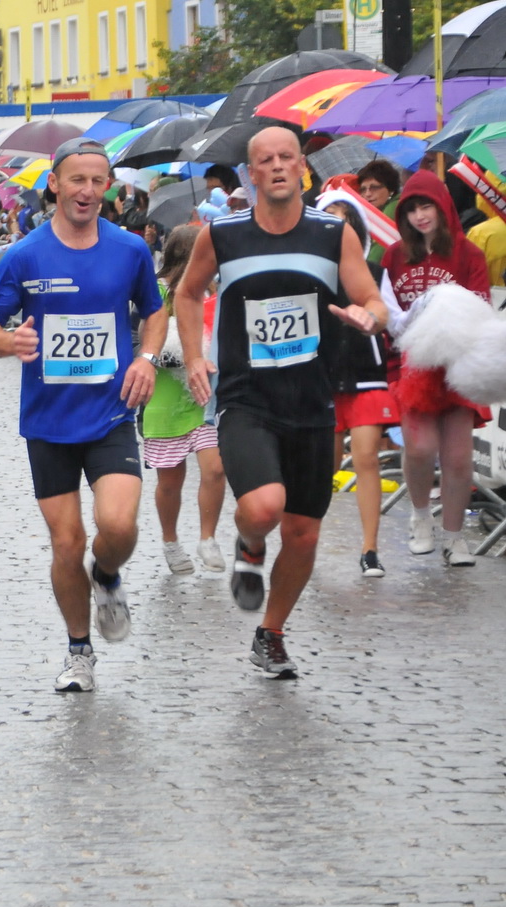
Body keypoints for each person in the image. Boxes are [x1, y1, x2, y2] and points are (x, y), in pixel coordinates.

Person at [177, 125, 388, 677]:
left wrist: (370, 315)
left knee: (303, 531)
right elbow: (187, 291)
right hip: (247, 398)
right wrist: (196, 356)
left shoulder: (331, 234)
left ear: (301, 169)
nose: (275, 166)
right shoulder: (221, 234)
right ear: (250, 173)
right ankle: (249, 544)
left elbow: (370, 296)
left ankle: (270, 633)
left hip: (312, 400)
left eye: (285, 158)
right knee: (265, 507)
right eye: (263, 160)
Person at [0, 138, 167, 694]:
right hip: (49, 423)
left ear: (109, 188)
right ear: (54, 183)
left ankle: (107, 577)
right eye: (76, 180)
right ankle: (79, 650)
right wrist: (8, 342)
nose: (87, 191)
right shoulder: (25, 255)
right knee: (66, 543)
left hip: (111, 414)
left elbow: (155, 312)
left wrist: (148, 359)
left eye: (97, 181)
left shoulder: (128, 249)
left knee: (119, 527)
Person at [378, 170, 494, 567]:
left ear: (442, 206)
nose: (420, 216)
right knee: (422, 447)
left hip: (458, 364)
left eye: (426, 206)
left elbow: (481, 306)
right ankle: (420, 516)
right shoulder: (394, 256)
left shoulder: (468, 253)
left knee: (459, 458)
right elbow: (387, 314)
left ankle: (455, 537)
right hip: (411, 366)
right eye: (411, 209)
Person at [315, 194, 397, 577]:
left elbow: (393, 319)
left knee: (365, 458)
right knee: (321, 469)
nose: (338, 229)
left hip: (367, 374)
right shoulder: (311, 274)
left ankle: (370, 550)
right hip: (323, 377)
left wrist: (372, 319)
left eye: (346, 221)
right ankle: (305, 541)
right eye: (330, 221)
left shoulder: (376, 272)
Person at [138, 224, 226, 576]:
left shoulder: (215, 292)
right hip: (167, 397)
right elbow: (147, 339)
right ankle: (171, 541)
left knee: (216, 468)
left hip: (206, 399)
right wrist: (180, 353)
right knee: (170, 482)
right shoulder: (158, 291)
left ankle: (208, 537)